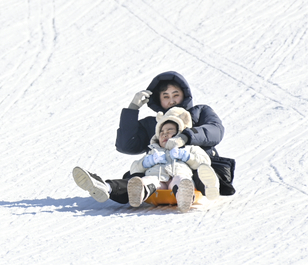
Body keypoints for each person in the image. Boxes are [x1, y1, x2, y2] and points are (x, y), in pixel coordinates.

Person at [73, 71, 235, 205]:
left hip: (197, 167)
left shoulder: (200, 112)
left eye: (175, 94)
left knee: (201, 173)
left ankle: (208, 187)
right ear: (159, 100)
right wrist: (132, 109)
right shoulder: (155, 124)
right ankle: (106, 187)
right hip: (160, 171)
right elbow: (126, 145)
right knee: (135, 178)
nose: (171, 100)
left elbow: (215, 131)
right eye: (165, 96)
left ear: (184, 95)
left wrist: (186, 137)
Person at [125, 107, 218, 212]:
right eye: (161, 132)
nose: (164, 134)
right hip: (158, 180)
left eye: (169, 131)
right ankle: (139, 192)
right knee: (149, 180)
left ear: (179, 133)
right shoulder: (154, 151)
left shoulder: (189, 148)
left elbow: (205, 162)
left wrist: (187, 157)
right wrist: (147, 162)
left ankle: (184, 197)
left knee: (181, 180)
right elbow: (134, 169)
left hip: (178, 177)